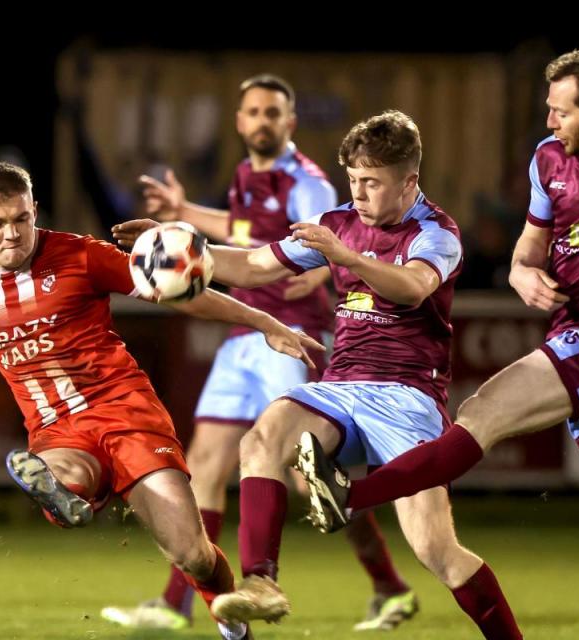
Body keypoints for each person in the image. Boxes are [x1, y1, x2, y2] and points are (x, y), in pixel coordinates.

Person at [294, 42, 579, 638]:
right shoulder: (548, 158)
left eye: (560, 110)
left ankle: (352, 493)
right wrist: (522, 273)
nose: (547, 121)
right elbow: (528, 247)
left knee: (481, 413)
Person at [0, 162, 325, 640]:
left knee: (191, 553)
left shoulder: (82, 256)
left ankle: (231, 624)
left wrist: (265, 323)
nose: (12, 233)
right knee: (58, 470)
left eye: (21, 218)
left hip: (128, 413)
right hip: (58, 432)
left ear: (34, 209)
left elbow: (179, 292)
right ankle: (63, 492)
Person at [116, 110, 524, 639]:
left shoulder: (436, 232)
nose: (359, 192)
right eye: (353, 179)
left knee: (437, 551)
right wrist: (182, 249)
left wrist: (344, 254)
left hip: (407, 397)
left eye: (372, 182)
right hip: (340, 387)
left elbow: (411, 288)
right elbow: (256, 265)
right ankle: (262, 583)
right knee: (262, 438)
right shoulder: (339, 224)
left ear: (409, 181)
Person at [103, 74, 417, 632]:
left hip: (287, 334)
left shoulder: (310, 183)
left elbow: (334, 241)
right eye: (253, 111)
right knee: (203, 464)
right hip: (240, 338)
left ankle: (388, 586)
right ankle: (178, 602)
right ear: (240, 121)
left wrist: (323, 278)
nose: (263, 120)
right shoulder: (248, 175)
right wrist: (185, 215)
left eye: (274, 112)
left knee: (304, 475)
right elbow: (246, 233)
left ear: (289, 123)